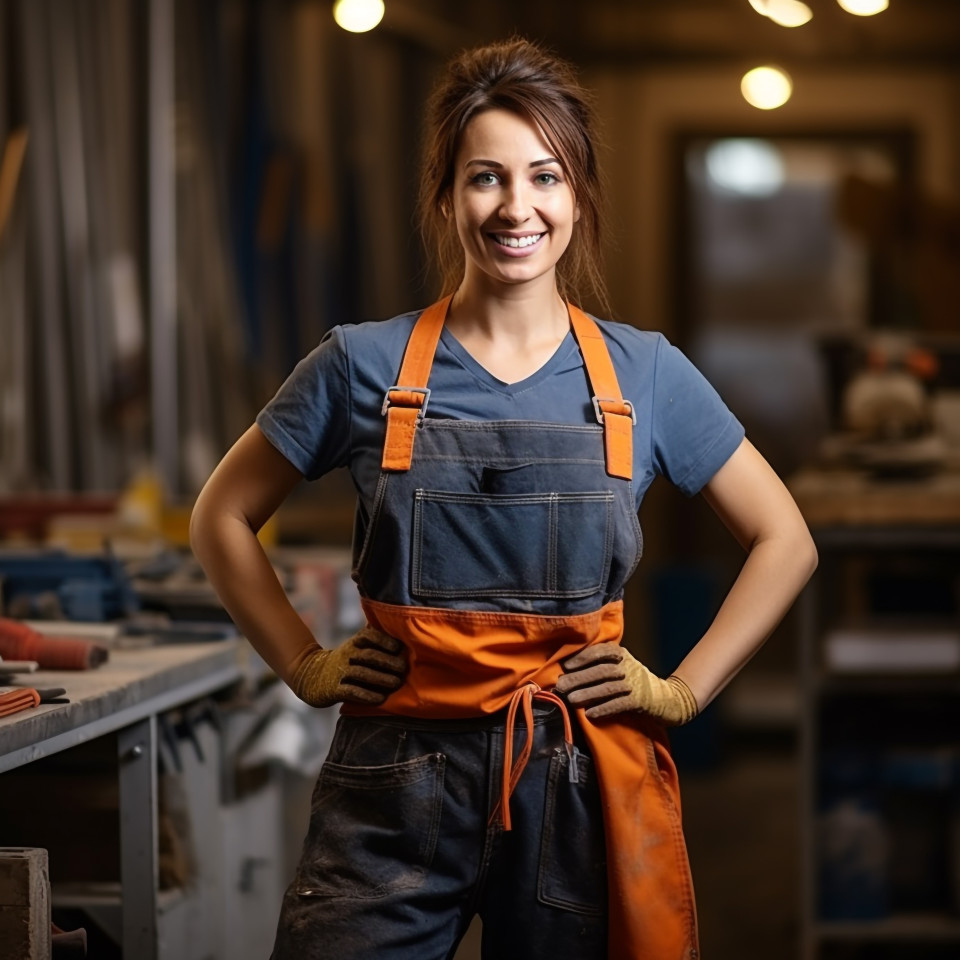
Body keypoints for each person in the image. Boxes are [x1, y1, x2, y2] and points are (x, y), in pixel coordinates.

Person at [190, 37, 817, 960]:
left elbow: (785, 540)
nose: (516, 206)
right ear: (446, 195)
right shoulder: (360, 364)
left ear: (578, 196)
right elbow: (220, 516)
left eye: (545, 177)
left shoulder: (643, 374)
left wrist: (681, 691)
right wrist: (303, 664)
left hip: (573, 779)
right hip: (391, 785)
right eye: (486, 177)